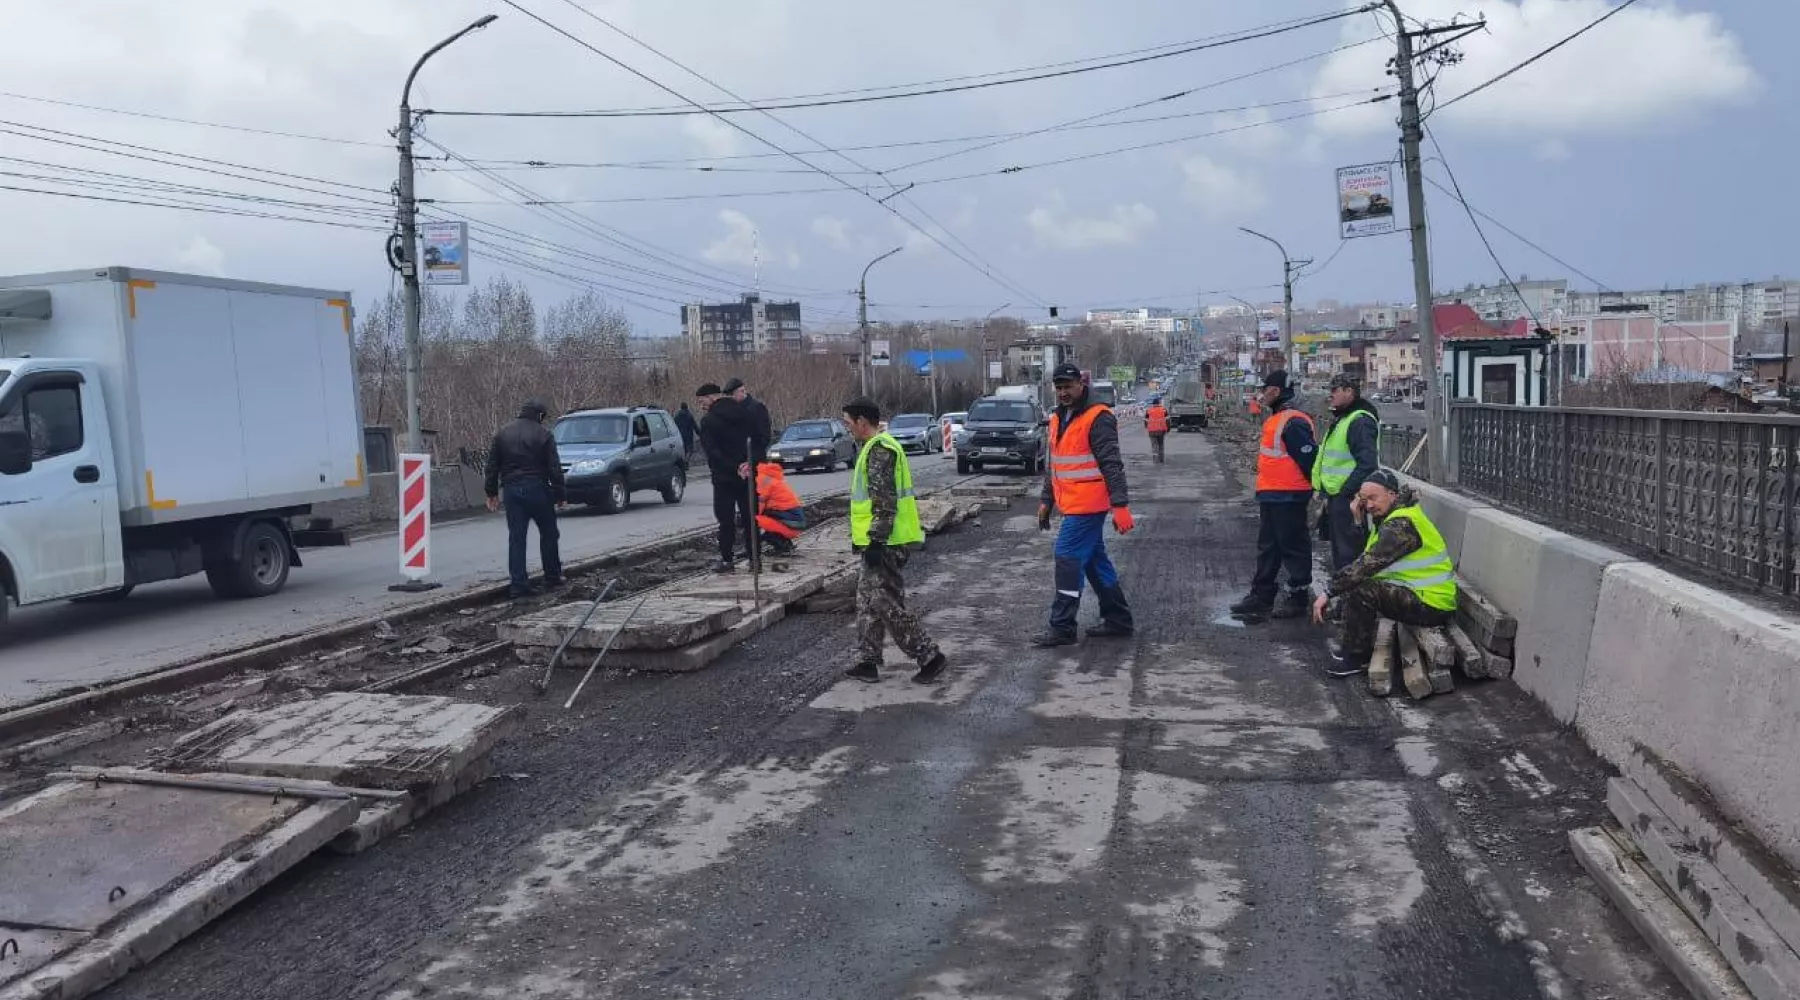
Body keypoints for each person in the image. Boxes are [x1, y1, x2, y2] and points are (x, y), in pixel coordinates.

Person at [1311, 469, 1457, 677]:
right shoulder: (1391, 517)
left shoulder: (1401, 524)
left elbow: (1366, 565)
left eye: (1373, 498)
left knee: (1361, 589)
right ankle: (1352, 649)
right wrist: (1358, 520)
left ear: (1392, 494)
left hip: (1431, 604)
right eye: (1364, 499)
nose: (1368, 505)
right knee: (1357, 584)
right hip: (1419, 595)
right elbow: (1367, 556)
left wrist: (1327, 592)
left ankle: (1355, 658)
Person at [842, 396, 947, 685]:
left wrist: (876, 540)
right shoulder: (873, 447)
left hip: (885, 542)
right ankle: (867, 661)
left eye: (848, 422)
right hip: (876, 540)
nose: (847, 427)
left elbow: (884, 502)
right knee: (867, 601)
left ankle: (929, 655)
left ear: (862, 422)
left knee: (885, 603)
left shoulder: (880, 451)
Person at [1033, 363, 1136, 647]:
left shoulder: (1098, 417)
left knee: (1067, 557)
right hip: (1072, 503)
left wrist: (1120, 505)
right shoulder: (1057, 417)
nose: (1064, 392)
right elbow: (1055, 466)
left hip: (1089, 505)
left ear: (1081, 385)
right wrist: (1046, 501)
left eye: (1068, 386)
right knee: (1093, 561)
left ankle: (1063, 626)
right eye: (1059, 388)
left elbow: (1112, 464)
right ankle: (1118, 619)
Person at [1229, 370, 1317, 621]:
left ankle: (1298, 597)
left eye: (1265, 388)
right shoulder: (1279, 418)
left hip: (1289, 495)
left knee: (1293, 546)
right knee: (1268, 547)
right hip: (1272, 494)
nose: (1262, 393)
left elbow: (1309, 459)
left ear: (1276, 391)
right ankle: (1262, 595)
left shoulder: (1293, 421)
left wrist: (1315, 490)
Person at [483, 399, 567, 599]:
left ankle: (518, 584)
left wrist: (491, 493)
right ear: (539, 415)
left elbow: (492, 466)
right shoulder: (544, 434)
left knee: (517, 538)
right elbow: (554, 468)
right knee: (549, 533)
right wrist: (560, 494)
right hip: (538, 488)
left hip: (512, 491)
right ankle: (552, 576)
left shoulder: (502, 434)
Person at [696, 382, 768, 572]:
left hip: (723, 479)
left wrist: (734, 467)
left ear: (712, 397)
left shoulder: (708, 421)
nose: (701, 405)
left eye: (702, 401)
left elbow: (713, 453)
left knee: (725, 520)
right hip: (748, 476)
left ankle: (727, 560)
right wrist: (748, 464)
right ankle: (755, 560)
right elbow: (760, 441)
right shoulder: (747, 413)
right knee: (750, 518)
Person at [1313, 374, 1382, 572]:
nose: (1330, 395)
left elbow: (1367, 464)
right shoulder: (1345, 418)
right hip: (1338, 497)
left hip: (1348, 499)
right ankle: (1344, 596)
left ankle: (1351, 599)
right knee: (1341, 553)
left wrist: (1345, 492)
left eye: (1335, 390)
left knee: (1349, 554)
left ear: (1349, 392)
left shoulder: (1359, 420)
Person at [754, 460, 807, 555]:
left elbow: (760, 503)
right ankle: (785, 542)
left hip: (792, 522)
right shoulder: (772, 478)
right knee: (768, 516)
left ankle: (781, 547)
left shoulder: (762, 479)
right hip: (796, 519)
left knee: (756, 520)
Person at [1144, 396, 1170, 464]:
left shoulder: (1148, 411)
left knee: (1154, 446)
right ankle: (1161, 459)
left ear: (1153, 404)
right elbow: (1167, 421)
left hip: (1152, 431)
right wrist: (1168, 429)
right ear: (1159, 403)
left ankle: (1155, 460)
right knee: (1161, 445)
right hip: (1161, 430)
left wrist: (1147, 427)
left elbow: (1146, 421)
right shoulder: (1164, 410)